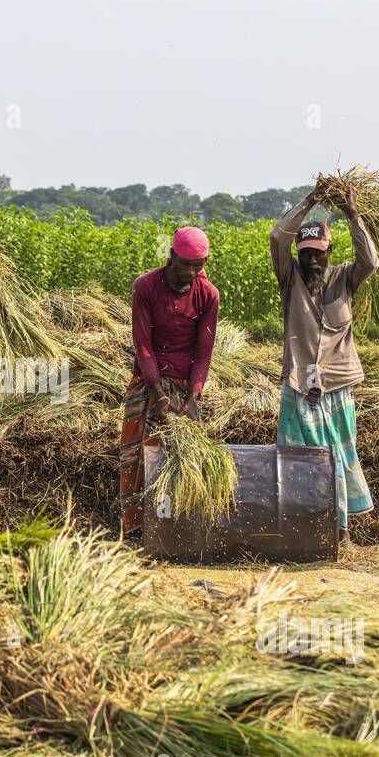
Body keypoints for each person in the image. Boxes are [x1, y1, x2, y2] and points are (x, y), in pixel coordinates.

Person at [269, 182, 379, 543]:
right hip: (300, 384)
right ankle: (301, 528)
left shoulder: (346, 277)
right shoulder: (290, 279)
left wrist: (351, 213)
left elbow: (371, 261)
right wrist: (311, 201)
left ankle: (341, 530)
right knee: (295, 458)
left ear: (330, 250)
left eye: (318, 253)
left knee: (337, 458)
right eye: (306, 254)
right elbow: (276, 236)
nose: (312, 260)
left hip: (335, 386)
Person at [119, 227, 220, 536]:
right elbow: (143, 344)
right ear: (172, 257)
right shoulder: (146, 287)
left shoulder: (208, 295)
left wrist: (191, 399)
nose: (191, 272)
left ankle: (179, 531)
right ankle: (136, 529)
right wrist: (158, 394)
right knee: (137, 455)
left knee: (185, 458)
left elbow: (203, 353)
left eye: (198, 265)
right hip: (149, 380)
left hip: (185, 384)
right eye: (185, 263)